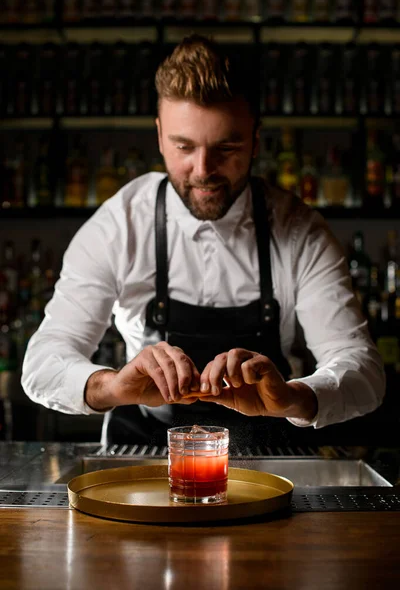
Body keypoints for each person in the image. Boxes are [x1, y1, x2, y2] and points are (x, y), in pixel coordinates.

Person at [22, 35, 385, 449]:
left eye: (226, 147)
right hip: (144, 457)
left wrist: (294, 396)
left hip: (274, 461)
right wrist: (113, 386)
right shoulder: (119, 225)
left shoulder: (300, 230)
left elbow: (364, 370)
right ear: (159, 136)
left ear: (256, 140)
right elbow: (43, 362)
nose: (203, 170)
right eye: (184, 147)